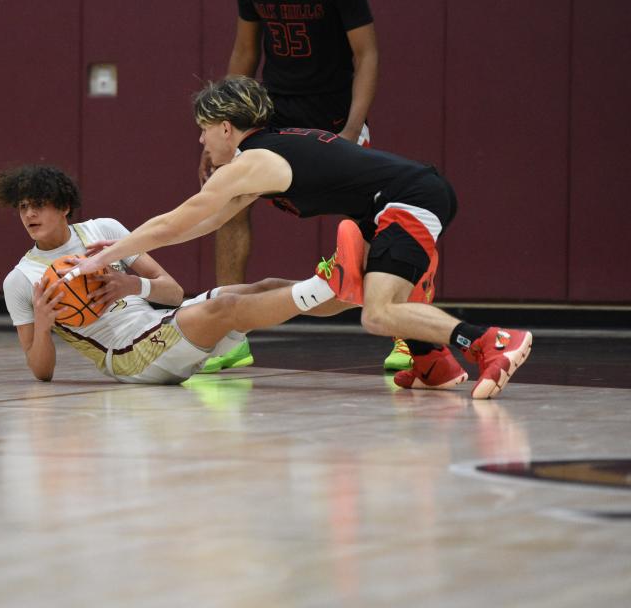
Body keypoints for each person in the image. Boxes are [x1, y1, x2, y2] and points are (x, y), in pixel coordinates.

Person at [66, 77, 533, 399]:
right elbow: (205, 222)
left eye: (204, 131)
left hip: (406, 199)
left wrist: (105, 255)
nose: (202, 142)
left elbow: (180, 218)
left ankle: (490, 341)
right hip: (386, 206)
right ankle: (434, 363)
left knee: (377, 312)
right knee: (327, 295)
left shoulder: (253, 159)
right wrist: (124, 248)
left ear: (226, 127)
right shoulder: (265, 155)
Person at [202, 0, 408, 373]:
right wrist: (218, 129)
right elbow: (245, 52)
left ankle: (408, 332)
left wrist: (351, 128)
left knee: (379, 220)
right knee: (230, 199)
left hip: (332, 115)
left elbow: (367, 54)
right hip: (276, 112)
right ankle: (230, 336)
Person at [0, 164, 345, 384]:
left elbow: (173, 293)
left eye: (38, 204)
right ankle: (320, 287)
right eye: (22, 207)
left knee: (260, 288)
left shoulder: (104, 231)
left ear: (64, 206)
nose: (29, 214)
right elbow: (42, 372)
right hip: (128, 356)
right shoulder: (22, 279)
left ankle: (350, 294)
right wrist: (42, 326)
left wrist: (133, 284)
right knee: (224, 307)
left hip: (162, 324)